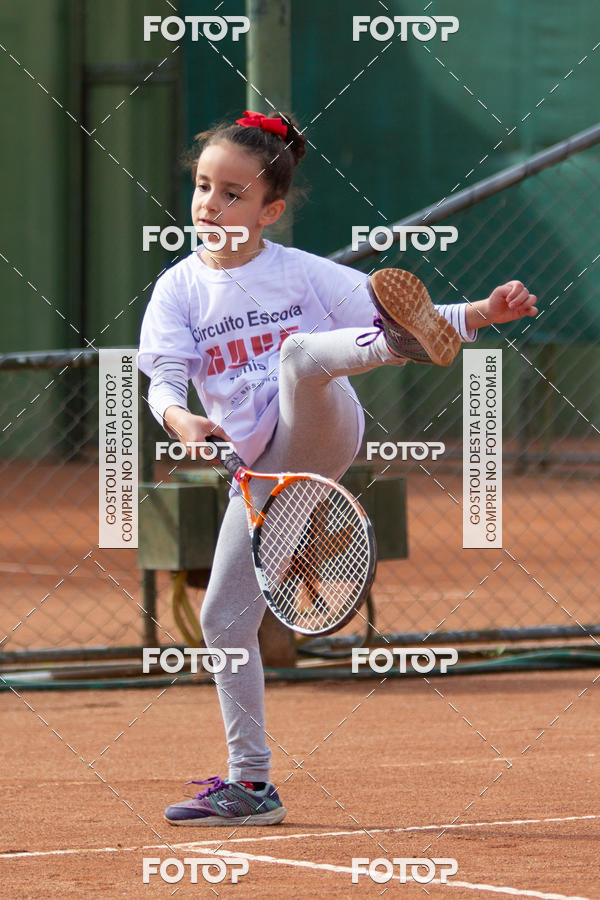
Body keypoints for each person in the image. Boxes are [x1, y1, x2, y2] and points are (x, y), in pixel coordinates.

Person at [137, 110, 538, 826]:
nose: (210, 204)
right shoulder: (179, 289)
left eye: (232, 193)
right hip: (264, 473)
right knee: (223, 621)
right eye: (203, 187)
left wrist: (484, 311)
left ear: (270, 211)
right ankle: (252, 787)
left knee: (300, 355)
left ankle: (389, 349)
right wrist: (181, 419)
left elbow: (416, 313)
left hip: (324, 424)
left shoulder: (299, 272)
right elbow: (163, 379)